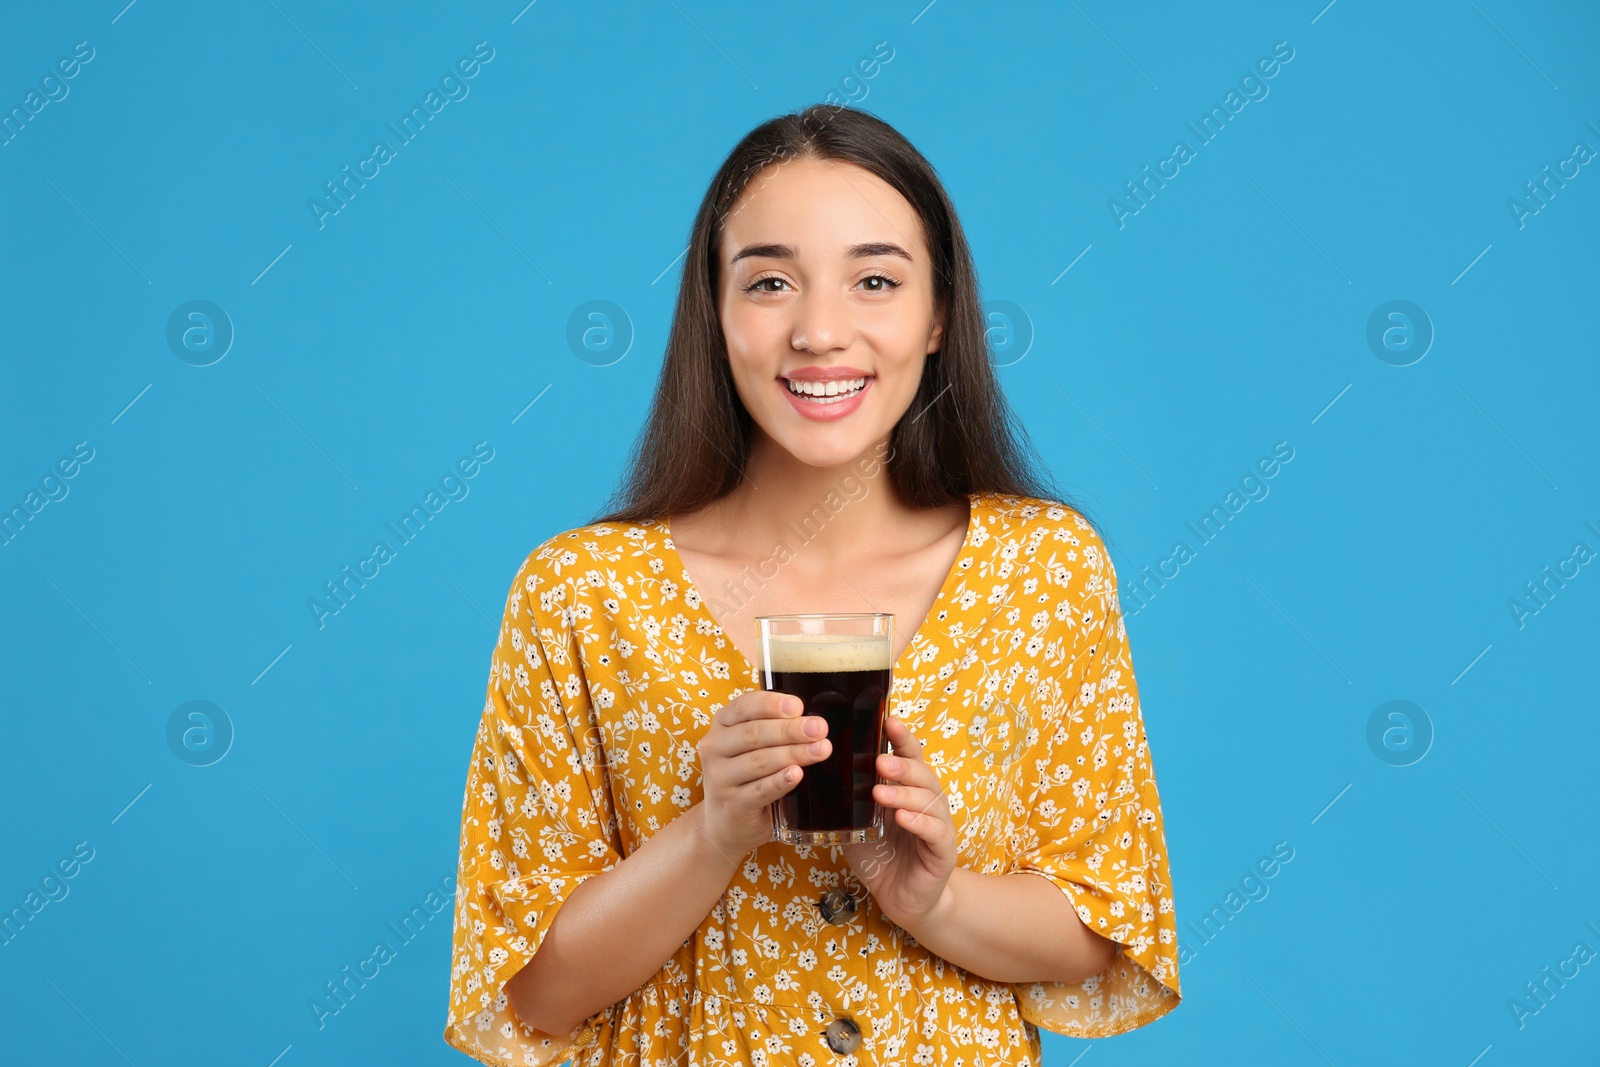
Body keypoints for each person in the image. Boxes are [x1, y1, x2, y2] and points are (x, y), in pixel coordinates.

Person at [444, 103, 1181, 1066]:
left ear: (939, 315)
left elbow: (1102, 932)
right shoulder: (582, 594)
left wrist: (936, 898)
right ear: (713, 312)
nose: (820, 330)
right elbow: (533, 993)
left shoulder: (1043, 570)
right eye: (770, 282)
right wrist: (711, 836)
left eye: (875, 279)